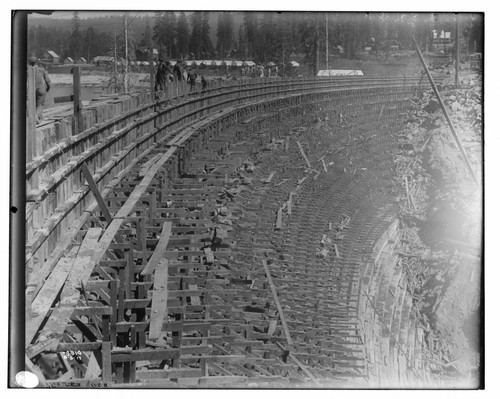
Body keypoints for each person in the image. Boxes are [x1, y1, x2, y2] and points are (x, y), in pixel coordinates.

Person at [29, 56, 51, 123]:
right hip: (40, 89)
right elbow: (48, 81)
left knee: (32, 104)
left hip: (30, 89)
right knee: (40, 104)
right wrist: (48, 88)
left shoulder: (27, 70)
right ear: (37, 62)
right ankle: (36, 119)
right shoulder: (41, 70)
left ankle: (39, 117)